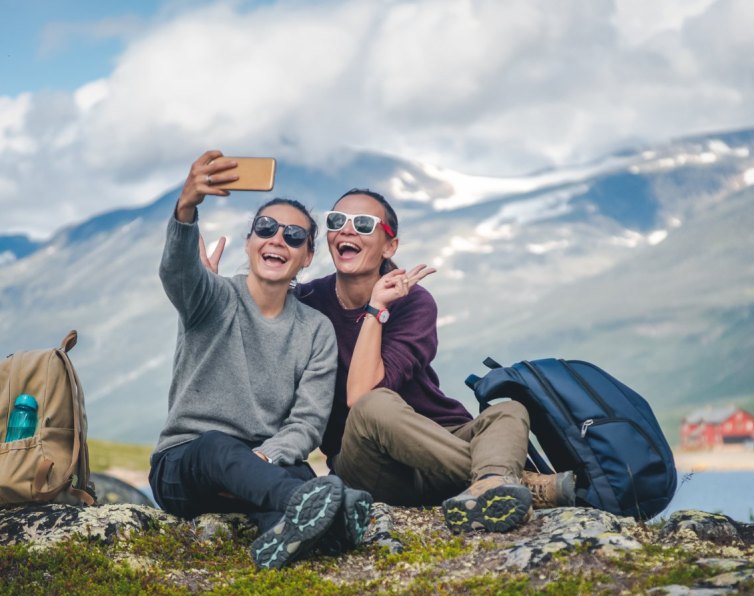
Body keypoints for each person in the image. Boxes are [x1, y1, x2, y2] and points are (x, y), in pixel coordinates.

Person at [204, 187, 575, 533]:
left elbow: (369, 388)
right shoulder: (306, 302)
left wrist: (378, 309)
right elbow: (360, 398)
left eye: (363, 225)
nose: (346, 231)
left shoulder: (414, 302)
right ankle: (511, 481)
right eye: (337, 221)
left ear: (389, 245)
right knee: (374, 406)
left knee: (508, 410)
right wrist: (213, 297)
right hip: (370, 461)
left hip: (439, 439)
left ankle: (490, 483)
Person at [148, 151, 372, 570]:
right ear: (250, 241)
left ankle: (285, 537)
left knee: (301, 474)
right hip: (186, 464)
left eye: (293, 235)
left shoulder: (316, 330)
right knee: (220, 449)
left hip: (263, 466)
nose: (276, 239)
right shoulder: (211, 298)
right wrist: (187, 205)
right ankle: (315, 508)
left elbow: (307, 423)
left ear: (307, 257)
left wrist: (266, 458)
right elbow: (177, 273)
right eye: (265, 228)